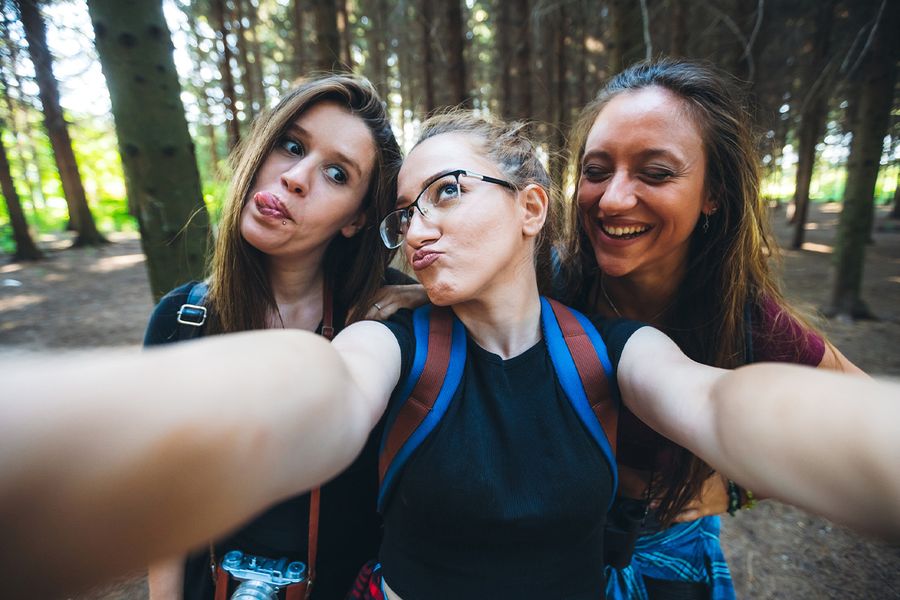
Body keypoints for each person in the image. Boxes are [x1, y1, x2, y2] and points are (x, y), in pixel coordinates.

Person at [3, 338, 899, 600]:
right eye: (407, 208)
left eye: (448, 191)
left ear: (530, 205)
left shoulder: (605, 342)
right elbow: (324, 392)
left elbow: (715, 404)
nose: (421, 224)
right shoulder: (390, 338)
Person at [559, 58, 865, 599]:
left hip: (667, 564)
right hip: (546, 554)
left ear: (712, 193)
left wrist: (739, 489)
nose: (612, 199)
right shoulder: (551, 282)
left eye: (655, 173)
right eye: (597, 169)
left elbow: (864, 424)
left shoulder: (749, 322)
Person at [143, 74, 421, 600]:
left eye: (336, 174)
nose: (295, 177)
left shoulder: (390, 325)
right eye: (290, 146)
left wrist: (436, 298)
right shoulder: (180, 320)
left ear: (358, 219)